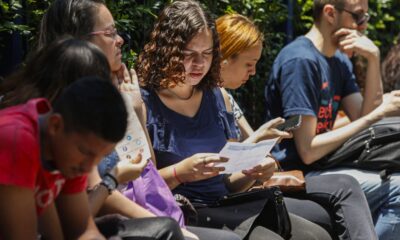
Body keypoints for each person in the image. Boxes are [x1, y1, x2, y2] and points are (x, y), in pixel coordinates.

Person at [37, 1, 241, 239]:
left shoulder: (113, 94)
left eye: (207, 54)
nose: (120, 39)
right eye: (110, 33)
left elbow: (144, 174)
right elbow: (78, 218)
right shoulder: (45, 118)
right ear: (76, 40)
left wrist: (136, 114)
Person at [137, 1, 331, 239]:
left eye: (207, 54)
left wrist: (255, 172)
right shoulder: (143, 103)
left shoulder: (218, 97)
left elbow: (229, 181)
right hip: (184, 212)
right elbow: (140, 189)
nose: (200, 63)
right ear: (167, 50)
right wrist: (180, 173)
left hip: (227, 206)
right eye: (189, 54)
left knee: (317, 234)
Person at [217, 12, 378, 240]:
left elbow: (255, 151)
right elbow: (228, 169)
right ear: (224, 58)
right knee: (344, 195)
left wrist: (263, 143)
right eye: (249, 64)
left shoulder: (225, 97)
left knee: (346, 188)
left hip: (263, 182)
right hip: (244, 193)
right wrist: (259, 146)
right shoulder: (300, 60)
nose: (253, 72)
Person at [264, 0, 400, 239]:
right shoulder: (301, 61)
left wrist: (374, 58)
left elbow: (362, 115)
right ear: (330, 13)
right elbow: (307, 150)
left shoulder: (338, 60)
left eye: (365, 18)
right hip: (299, 173)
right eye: (358, 17)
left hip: (326, 166)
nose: (363, 27)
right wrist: (378, 114)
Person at [0, 39, 128, 239]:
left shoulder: (66, 149)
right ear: (55, 125)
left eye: (99, 157)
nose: (88, 167)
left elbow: (80, 231)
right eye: (86, 152)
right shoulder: (15, 138)